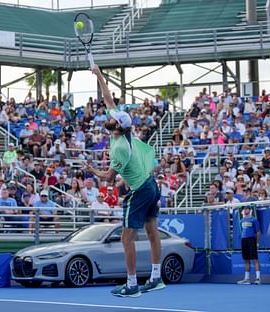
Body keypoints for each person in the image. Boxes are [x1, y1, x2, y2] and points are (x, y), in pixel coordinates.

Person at [85, 64, 162, 298]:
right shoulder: (122, 130)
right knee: (151, 232)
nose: (110, 115)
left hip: (139, 191)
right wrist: (99, 74)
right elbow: (108, 98)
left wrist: (92, 170)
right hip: (151, 186)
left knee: (126, 238)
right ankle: (156, 278)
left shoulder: (119, 147)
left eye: (114, 118)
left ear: (117, 126)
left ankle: (131, 285)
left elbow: (109, 177)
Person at [237, 204, 261, 285]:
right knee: (246, 260)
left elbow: (258, 232)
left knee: (255, 259)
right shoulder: (241, 221)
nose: (245, 210)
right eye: (244, 209)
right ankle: (247, 279)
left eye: (247, 209)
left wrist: (257, 242)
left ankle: (258, 278)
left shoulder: (254, 219)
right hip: (244, 240)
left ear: (250, 210)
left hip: (252, 240)